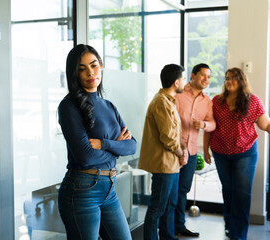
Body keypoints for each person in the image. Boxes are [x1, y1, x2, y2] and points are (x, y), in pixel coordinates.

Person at [203, 67, 270, 240]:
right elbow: (209, 127)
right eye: (227, 78)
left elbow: (267, 125)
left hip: (245, 153)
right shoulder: (216, 101)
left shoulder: (252, 101)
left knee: (242, 193)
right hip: (220, 152)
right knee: (228, 190)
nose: (229, 81)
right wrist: (205, 150)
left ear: (242, 81)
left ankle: (238, 235)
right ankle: (229, 223)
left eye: (234, 78)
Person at [57, 44, 136, 240]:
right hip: (82, 190)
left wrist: (104, 144)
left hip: (109, 189)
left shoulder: (108, 106)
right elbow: (85, 157)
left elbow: (132, 145)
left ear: (101, 65)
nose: (90, 73)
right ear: (74, 74)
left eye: (93, 65)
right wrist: (118, 146)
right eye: (82, 69)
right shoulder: (69, 106)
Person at [138, 64, 189, 240]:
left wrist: (183, 151)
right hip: (164, 165)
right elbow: (168, 137)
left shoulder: (170, 100)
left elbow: (175, 133)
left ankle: (168, 237)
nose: (185, 81)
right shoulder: (161, 102)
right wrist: (180, 153)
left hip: (172, 164)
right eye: (183, 78)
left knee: (170, 204)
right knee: (157, 207)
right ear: (176, 82)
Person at [174, 63, 216, 237]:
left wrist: (204, 124)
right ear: (192, 75)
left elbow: (213, 124)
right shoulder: (178, 92)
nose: (206, 79)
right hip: (174, 150)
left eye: (208, 76)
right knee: (170, 191)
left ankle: (178, 226)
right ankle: (166, 227)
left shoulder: (207, 101)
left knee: (183, 190)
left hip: (191, 152)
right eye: (202, 75)